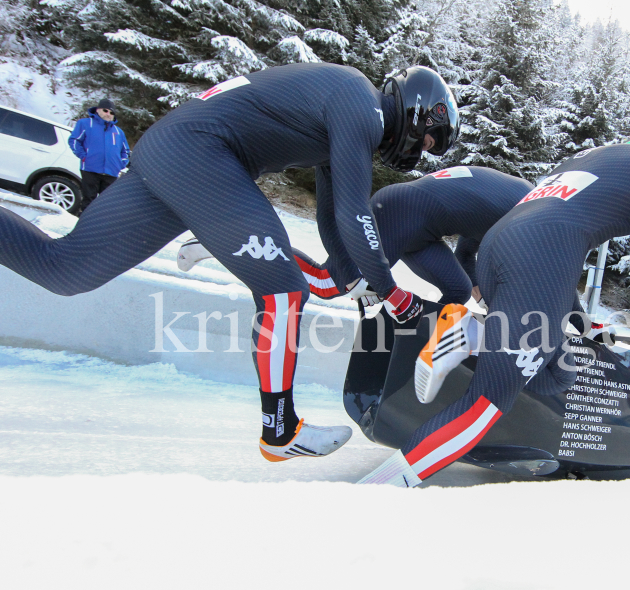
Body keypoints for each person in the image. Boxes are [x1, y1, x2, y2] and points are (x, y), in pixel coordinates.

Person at [0, 63, 459, 462]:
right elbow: (355, 214)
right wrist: (396, 295)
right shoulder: (363, 108)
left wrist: (353, 273)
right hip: (204, 153)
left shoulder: (351, 101)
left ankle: (279, 424)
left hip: (172, 147)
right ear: (419, 112)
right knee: (283, 291)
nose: (422, 150)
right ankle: (280, 430)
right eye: (430, 139)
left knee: (65, 270)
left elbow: (330, 215)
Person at [356, 142, 630, 486]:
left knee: (561, 370)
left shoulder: (593, 156)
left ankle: (473, 335)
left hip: (499, 246)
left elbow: (554, 231)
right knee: (483, 407)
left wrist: (578, 324)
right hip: (542, 257)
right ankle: (382, 486)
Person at [177, 166, 532, 309]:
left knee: (455, 293)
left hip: (418, 224)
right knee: (329, 282)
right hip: (400, 213)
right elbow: (497, 263)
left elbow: (469, 253)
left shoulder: (524, 200)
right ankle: (220, 243)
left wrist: (482, 296)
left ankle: (419, 354)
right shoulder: (530, 212)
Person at [67, 98, 131, 212]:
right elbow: (74, 140)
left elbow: (125, 150)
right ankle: (84, 227)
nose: (108, 114)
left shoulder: (118, 131)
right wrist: (84, 156)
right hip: (90, 169)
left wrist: (121, 164)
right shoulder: (85, 123)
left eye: (112, 112)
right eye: (105, 111)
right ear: (98, 110)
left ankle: (101, 228)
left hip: (111, 172)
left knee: (106, 205)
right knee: (88, 201)